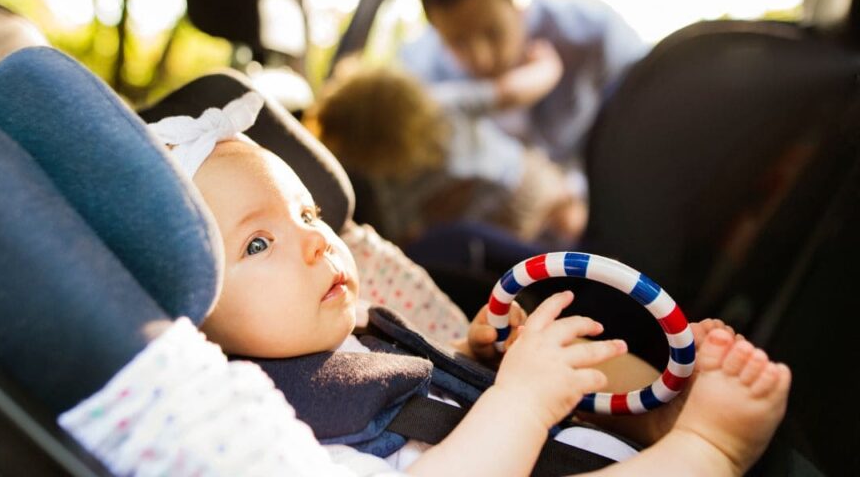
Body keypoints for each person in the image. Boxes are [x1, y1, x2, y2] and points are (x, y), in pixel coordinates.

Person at [62, 91, 789, 476]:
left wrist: (470, 352)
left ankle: (661, 407)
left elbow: (417, 385)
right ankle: (707, 450)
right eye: (259, 242)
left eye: (308, 212)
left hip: (573, 444)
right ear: (191, 317)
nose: (319, 240)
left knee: (560, 344)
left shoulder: (354, 331)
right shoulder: (273, 426)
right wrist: (523, 400)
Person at [399, 0, 650, 169]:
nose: (481, 59)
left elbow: (652, 102)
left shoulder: (591, 32)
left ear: (514, 0)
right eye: (457, 42)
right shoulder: (422, 71)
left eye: (492, 32)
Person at [314, 66, 587, 247]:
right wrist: (548, 66)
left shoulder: (389, 181)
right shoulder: (442, 104)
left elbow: (405, 236)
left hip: (495, 223)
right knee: (573, 222)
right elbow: (510, 92)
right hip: (520, 180)